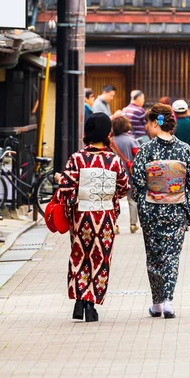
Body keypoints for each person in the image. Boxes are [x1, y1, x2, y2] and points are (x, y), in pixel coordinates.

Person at [57, 113, 129, 322]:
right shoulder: (113, 160)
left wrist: (73, 204)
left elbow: (66, 187)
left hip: (81, 215)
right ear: (108, 134)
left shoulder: (77, 158)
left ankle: (80, 298)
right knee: (100, 258)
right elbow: (123, 187)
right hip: (105, 216)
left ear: (86, 134)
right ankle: (92, 304)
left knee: (79, 255)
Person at [132, 103, 190, 319]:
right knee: (172, 256)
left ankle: (157, 303)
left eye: (148, 122)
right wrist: (184, 198)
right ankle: (169, 300)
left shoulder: (146, 149)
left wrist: (145, 200)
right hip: (176, 210)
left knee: (154, 257)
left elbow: (138, 181)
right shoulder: (183, 149)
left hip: (151, 210)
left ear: (155, 123)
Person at [111, 115, 140, 234]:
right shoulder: (132, 141)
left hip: (114, 174)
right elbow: (137, 157)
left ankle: (115, 225)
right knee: (132, 200)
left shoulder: (111, 141)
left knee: (113, 199)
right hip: (129, 175)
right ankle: (133, 224)